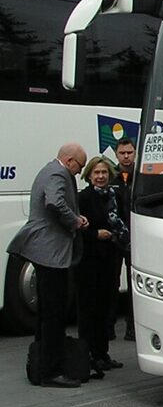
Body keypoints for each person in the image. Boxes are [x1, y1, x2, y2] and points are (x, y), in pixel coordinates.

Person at [6, 143, 89, 388]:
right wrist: (74, 221)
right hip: (51, 253)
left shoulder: (48, 170)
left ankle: (42, 364)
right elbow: (54, 201)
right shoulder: (57, 173)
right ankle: (50, 371)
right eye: (79, 167)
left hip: (45, 253)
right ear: (70, 160)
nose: (78, 172)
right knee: (54, 312)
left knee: (45, 312)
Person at [77, 156, 127, 372]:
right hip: (90, 260)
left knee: (107, 306)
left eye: (104, 173)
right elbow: (77, 229)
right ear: (89, 175)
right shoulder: (83, 198)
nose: (100, 177)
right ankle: (89, 354)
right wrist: (95, 234)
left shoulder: (115, 195)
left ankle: (103, 353)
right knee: (90, 308)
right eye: (96, 173)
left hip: (111, 257)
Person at [110, 137, 136, 341]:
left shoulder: (142, 176)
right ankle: (108, 327)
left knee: (133, 284)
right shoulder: (110, 177)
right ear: (116, 154)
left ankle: (132, 327)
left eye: (129, 152)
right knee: (111, 283)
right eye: (122, 153)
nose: (126, 156)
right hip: (114, 239)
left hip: (135, 239)